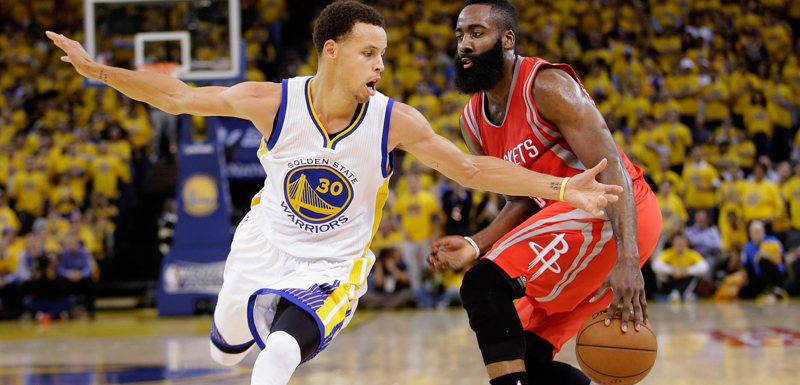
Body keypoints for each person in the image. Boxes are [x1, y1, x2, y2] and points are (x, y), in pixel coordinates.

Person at [48, 2, 623, 385]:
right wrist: (98, 71)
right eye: (368, 52)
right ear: (331, 50)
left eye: (383, 55)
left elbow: (471, 169)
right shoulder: (271, 102)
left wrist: (563, 186)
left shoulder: (393, 120)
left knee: (278, 354)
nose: (380, 65)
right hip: (260, 246)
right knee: (224, 350)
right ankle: (232, 331)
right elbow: (174, 96)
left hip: (334, 264)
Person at [428, 1, 662, 384]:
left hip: (612, 210)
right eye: (459, 36)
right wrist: (475, 243)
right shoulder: (472, 121)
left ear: (507, 40)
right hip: (569, 222)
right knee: (525, 356)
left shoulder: (547, 86)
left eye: (476, 33)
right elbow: (520, 200)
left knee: (484, 285)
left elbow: (614, 171)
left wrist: (629, 259)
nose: (464, 45)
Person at [651, 233, 709, 303]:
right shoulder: (668, 253)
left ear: (687, 244)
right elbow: (655, 265)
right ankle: (685, 294)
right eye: (677, 243)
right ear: (673, 243)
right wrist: (672, 270)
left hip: (686, 279)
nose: (680, 245)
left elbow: (704, 266)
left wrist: (687, 271)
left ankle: (677, 293)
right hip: (672, 279)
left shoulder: (691, 253)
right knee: (661, 274)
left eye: (682, 243)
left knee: (695, 276)